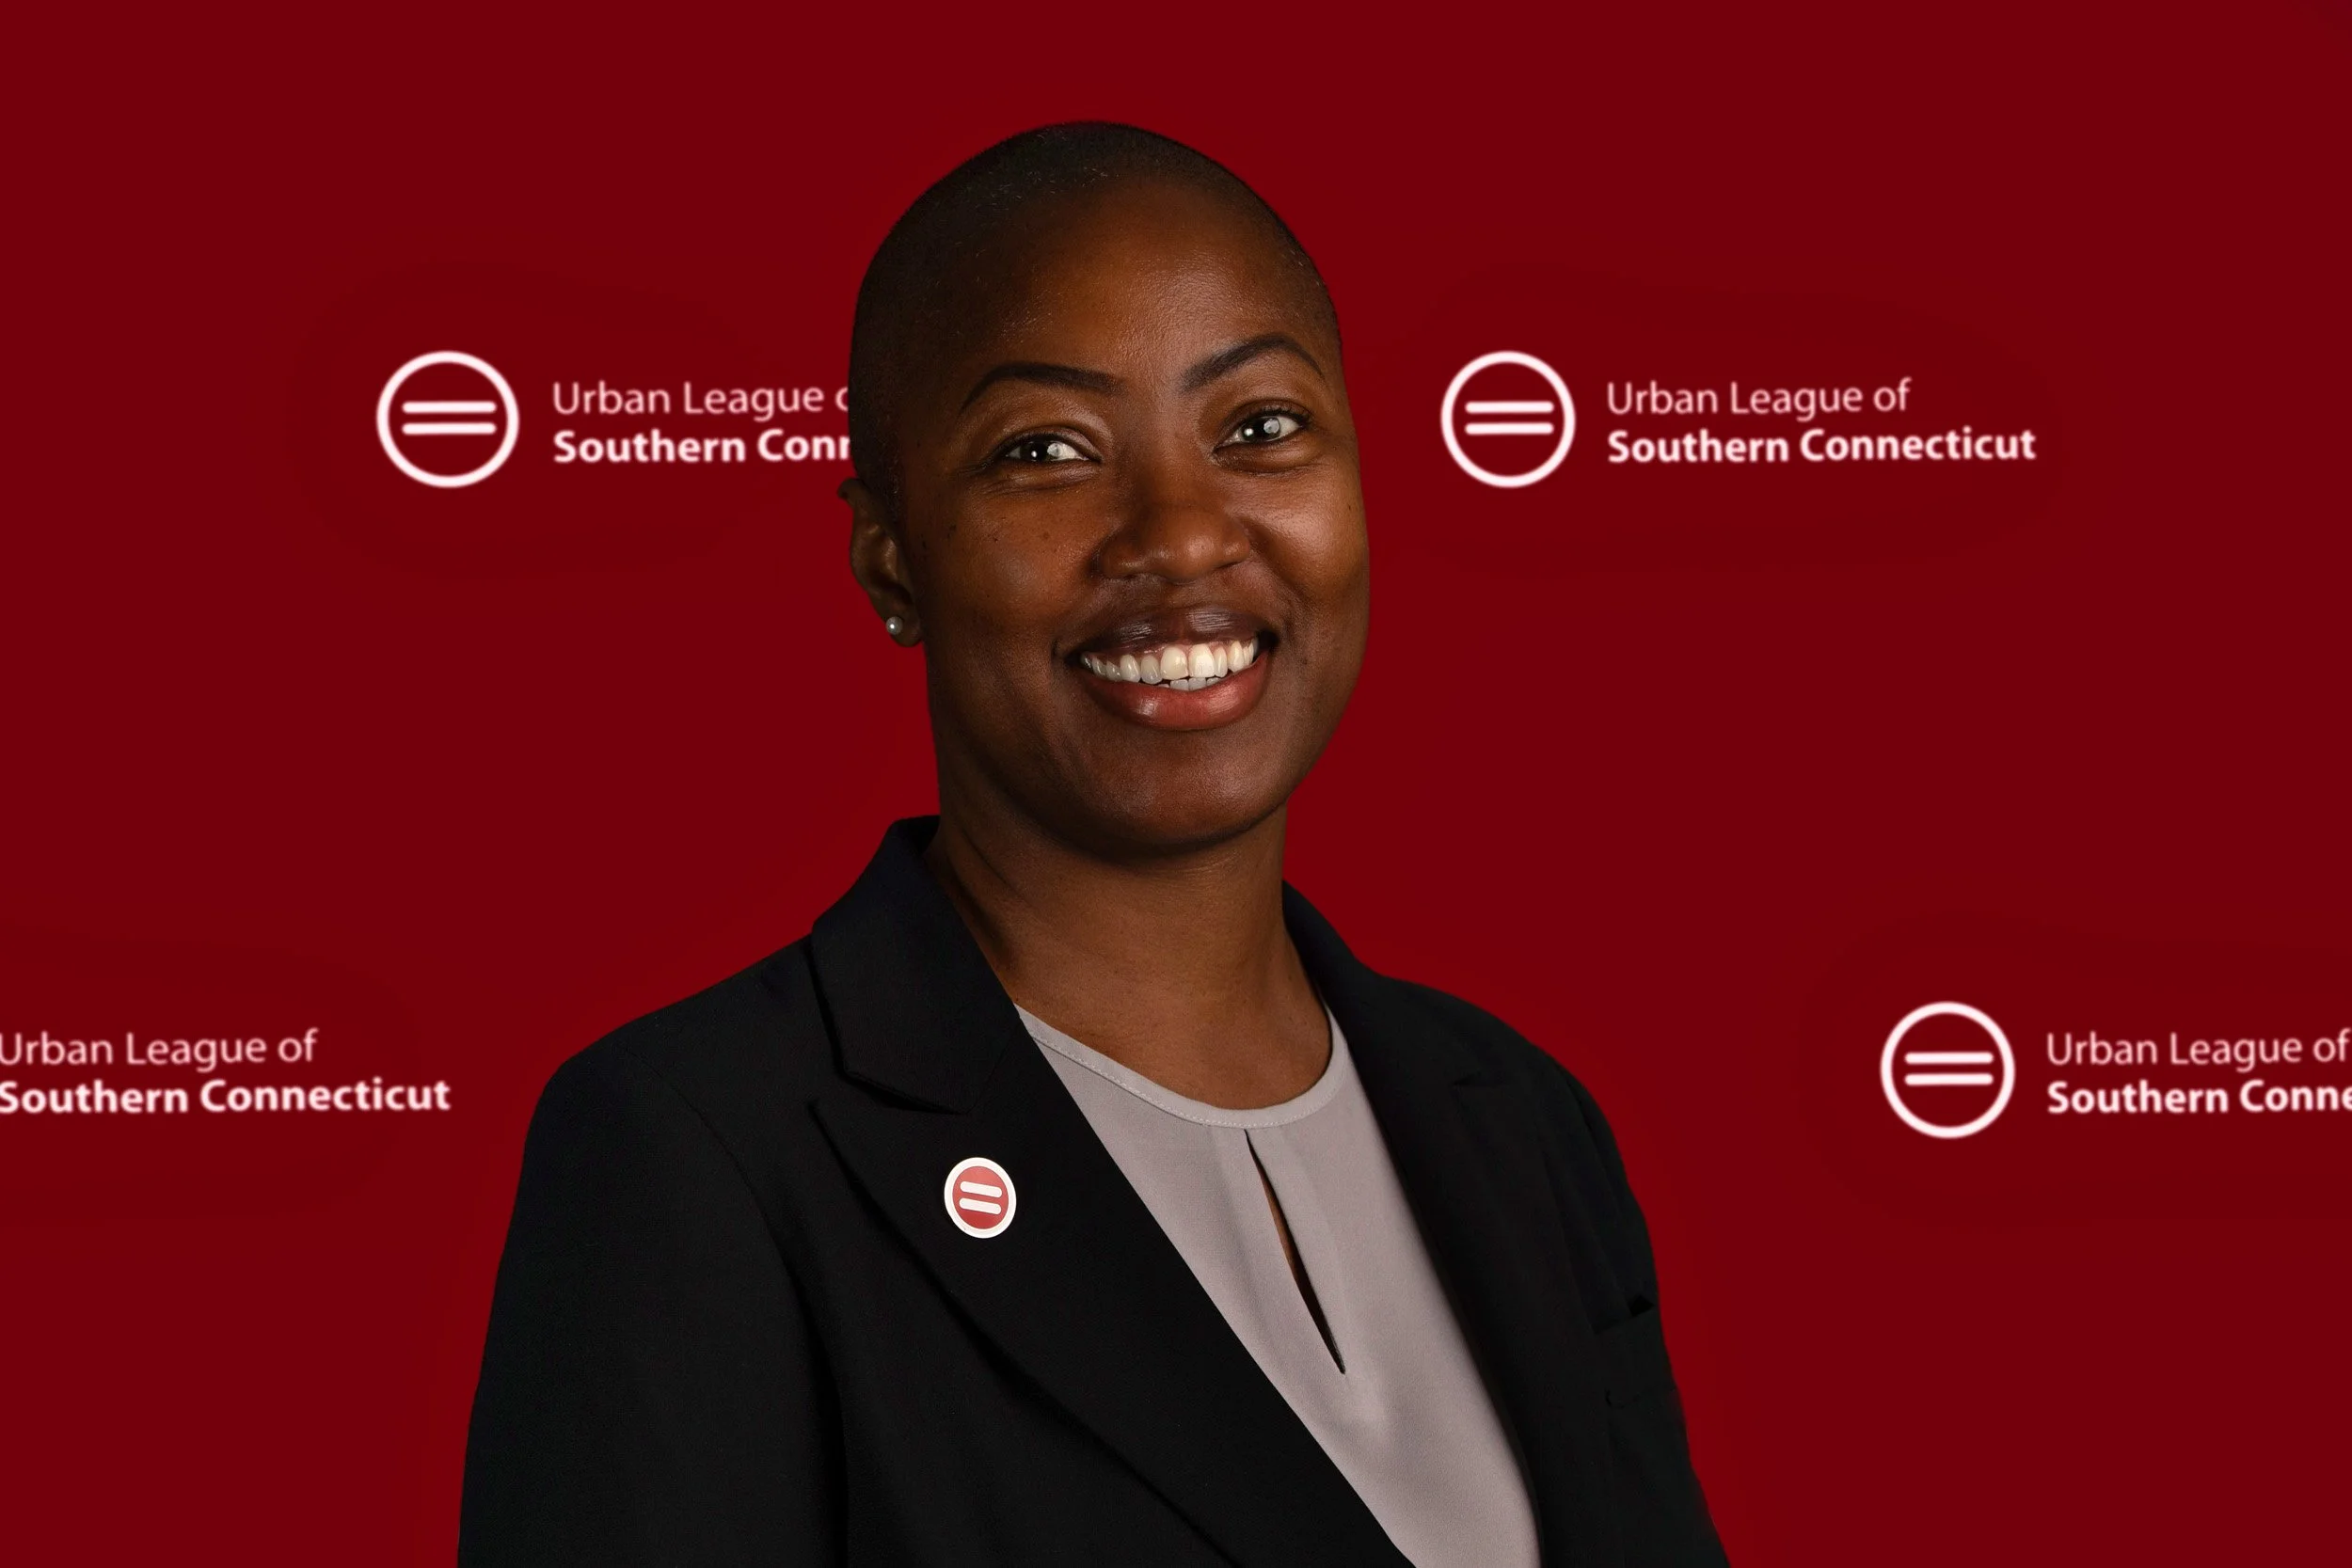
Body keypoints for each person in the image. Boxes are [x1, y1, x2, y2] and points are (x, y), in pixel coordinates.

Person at [460, 122, 1726, 1567]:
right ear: (893, 559)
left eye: (1259, 428)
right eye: (1043, 451)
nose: (1183, 535)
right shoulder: (703, 1155)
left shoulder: (1524, 1122)